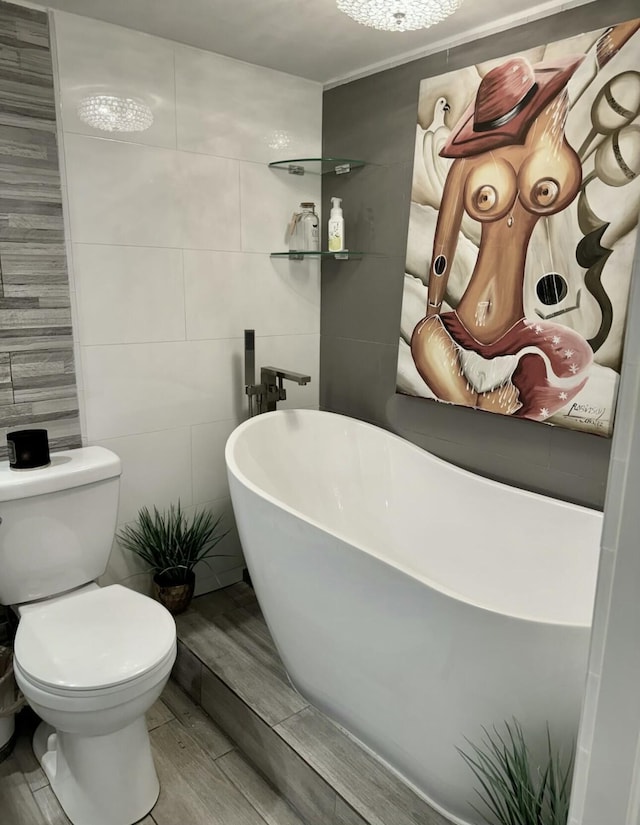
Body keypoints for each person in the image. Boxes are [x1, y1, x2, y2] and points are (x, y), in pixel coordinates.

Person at [411, 55, 595, 421]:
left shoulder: (549, 153)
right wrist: (431, 313)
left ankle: (476, 406)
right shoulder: (467, 165)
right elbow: (442, 247)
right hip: (461, 323)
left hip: (516, 329)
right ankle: (474, 405)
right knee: (424, 338)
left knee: (577, 358)